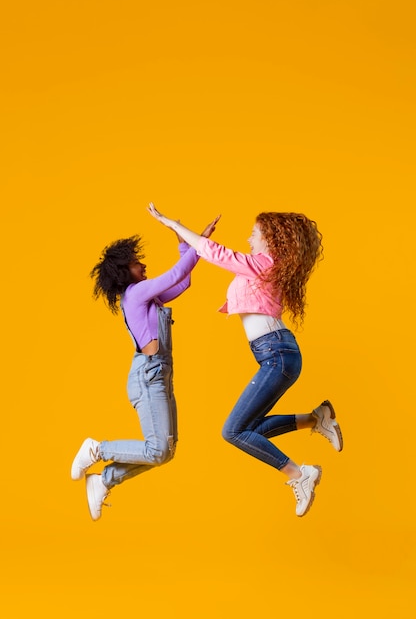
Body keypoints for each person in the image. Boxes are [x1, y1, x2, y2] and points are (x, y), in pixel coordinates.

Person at [148, 203, 343, 517]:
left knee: (233, 431)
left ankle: (299, 474)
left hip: (276, 354)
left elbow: (215, 252)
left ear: (269, 237)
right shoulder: (268, 265)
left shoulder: (264, 263)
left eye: (254, 234)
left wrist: (173, 223)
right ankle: (315, 419)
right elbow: (205, 255)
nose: (250, 239)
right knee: (248, 428)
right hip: (276, 353)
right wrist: (182, 238)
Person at [71, 215, 220, 521]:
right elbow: (176, 273)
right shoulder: (136, 293)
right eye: (138, 263)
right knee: (158, 450)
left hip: (160, 375)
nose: (143, 266)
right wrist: (195, 240)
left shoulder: (147, 297)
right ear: (125, 272)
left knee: (166, 450)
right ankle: (98, 449)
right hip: (149, 375)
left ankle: (103, 480)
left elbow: (184, 279)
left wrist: (185, 245)